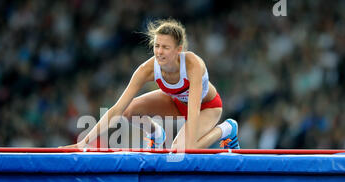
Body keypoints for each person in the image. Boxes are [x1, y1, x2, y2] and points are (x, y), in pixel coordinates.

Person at [61, 19, 240, 150]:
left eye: (166, 47)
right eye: (157, 46)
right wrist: (82, 143)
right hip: (175, 102)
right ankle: (156, 134)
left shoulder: (193, 65)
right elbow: (116, 109)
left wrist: (188, 146)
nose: (159, 52)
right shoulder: (147, 69)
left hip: (206, 108)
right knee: (129, 111)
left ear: (179, 50)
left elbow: (193, 112)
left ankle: (226, 129)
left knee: (180, 150)